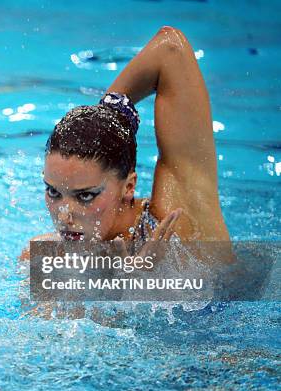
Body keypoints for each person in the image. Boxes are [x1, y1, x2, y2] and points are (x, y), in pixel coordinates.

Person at [21, 26, 230, 262]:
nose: (64, 216)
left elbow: (170, 51)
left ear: (129, 187)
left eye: (86, 196)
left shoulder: (176, 226)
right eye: (53, 192)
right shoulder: (41, 257)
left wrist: (110, 116)